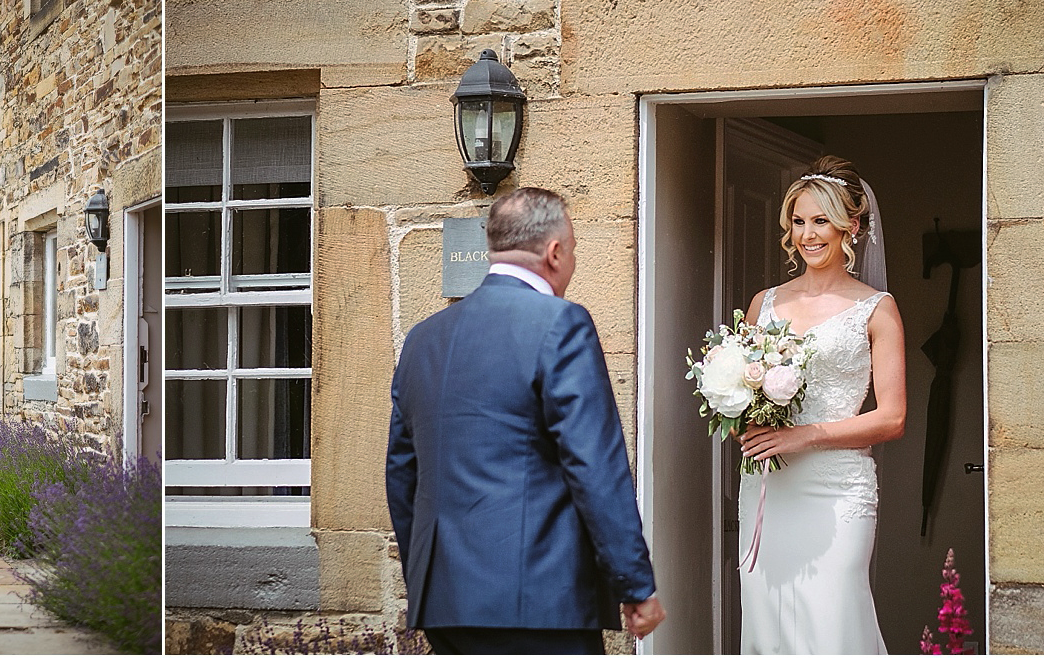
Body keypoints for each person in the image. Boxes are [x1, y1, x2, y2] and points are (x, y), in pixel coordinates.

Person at [386, 187, 665, 654]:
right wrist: (635, 584)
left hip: (447, 603)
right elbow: (594, 466)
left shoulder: (423, 338)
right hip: (540, 599)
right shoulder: (561, 324)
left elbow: (401, 475)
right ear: (554, 252)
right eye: (572, 250)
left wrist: (430, 582)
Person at [734, 155, 906, 654]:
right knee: (768, 621)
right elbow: (744, 392)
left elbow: (892, 417)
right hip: (768, 488)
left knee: (834, 621)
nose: (808, 234)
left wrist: (803, 435)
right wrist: (734, 407)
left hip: (837, 491)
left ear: (851, 225)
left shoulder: (876, 308)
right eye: (799, 220)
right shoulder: (764, 302)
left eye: (821, 221)